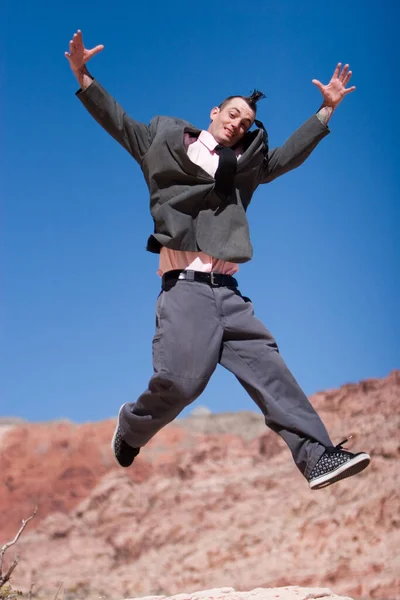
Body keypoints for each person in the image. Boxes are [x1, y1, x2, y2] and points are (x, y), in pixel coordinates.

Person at [65, 30, 370, 490]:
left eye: (246, 122)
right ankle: (132, 428)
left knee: (272, 371)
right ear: (215, 112)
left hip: (229, 295)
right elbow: (120, 122)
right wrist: (84, 77)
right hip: (185, 288)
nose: (238, 124)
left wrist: (325, 110)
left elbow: (286, 156)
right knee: (182, 384)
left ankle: (317, 457)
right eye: (233, 114)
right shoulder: (164, 140)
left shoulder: (245, 166)